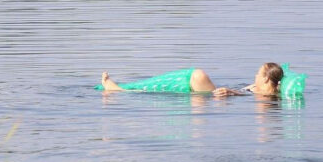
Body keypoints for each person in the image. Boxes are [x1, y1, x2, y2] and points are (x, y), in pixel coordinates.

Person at [100, 62, 284, 97]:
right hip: (210, 95)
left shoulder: (265, 97)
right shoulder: (259, 89)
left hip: (212, 96)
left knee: (197, 75)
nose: (255, 76)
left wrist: (231, 92)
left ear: (267, 80)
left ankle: (119, 91)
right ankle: (120, 90)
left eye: (258, 74)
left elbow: (247, 97)